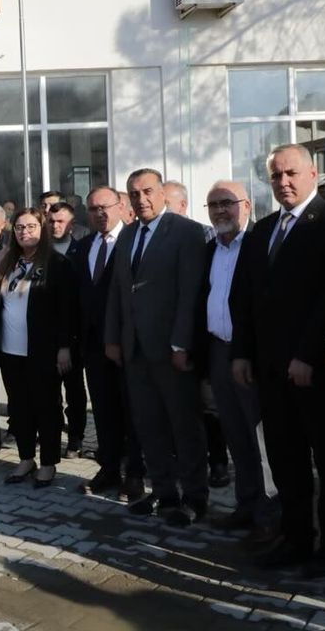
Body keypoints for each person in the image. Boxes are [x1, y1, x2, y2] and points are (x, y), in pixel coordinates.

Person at [230, 144, 325, 577]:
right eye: (276, 176)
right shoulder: (264, 229)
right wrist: (241, 351)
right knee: (286, 460)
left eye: (291, 173)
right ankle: (296, 538)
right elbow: (244, 298)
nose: (283, 182)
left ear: (314, 174)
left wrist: (307, 354)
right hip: (269, 370)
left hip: (314, 371)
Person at [105, 168, 209, 528]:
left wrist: (182, 343)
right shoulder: (128, 233)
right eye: (134, 194)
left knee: (184, 426)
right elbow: (118, 290)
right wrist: (113, 337)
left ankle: (194, 497)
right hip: (134, 349)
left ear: (163, 192)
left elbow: (190, 292)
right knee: (149, 426)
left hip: (170, 349)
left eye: (148, 191)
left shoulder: (186, 232)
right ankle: (164, 493)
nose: (141, 199)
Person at [201, 182, 278, 542]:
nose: (220, 210)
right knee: (235, 435)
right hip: (219, 351)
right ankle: (246, 504)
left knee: (261, 439)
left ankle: (270, 515)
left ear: (246, 206)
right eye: (213, 204)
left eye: (227, 203)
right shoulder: (209, 250)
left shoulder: (260, 243)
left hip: (252, 356)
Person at [0, 208, 77, 487]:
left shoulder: (57, 264)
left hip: (43, 350)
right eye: (19, 227)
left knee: (46, 408)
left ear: (42, 230)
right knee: (20, 408)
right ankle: (26, 458)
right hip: (10, 350)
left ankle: (48, 463)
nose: (24, 232)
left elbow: (66, 310)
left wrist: (64, 346)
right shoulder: (8, 262)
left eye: (31, 226)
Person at [72, 187, 144, 502]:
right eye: (93, 209)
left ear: (121, 207)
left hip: (127, 344)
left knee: (132, 411)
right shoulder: (84, 245)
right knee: (103, 410)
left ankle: (135, 474)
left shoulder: (134, 240)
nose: (100, 214)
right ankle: (109, 468)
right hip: (93, 345)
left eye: (105, 207)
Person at [161, 181, 229, 485]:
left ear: (183, 205)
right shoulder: (156, 238)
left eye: (167, 204)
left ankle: (219, 462)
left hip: (204, 338)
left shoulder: (205, 236)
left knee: (210, 407)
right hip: (171, 337)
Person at [46, 201, 89, 458]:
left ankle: (76, 437)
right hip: (46, 333)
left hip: (74, 333)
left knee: (74, 389)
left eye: (61, 221)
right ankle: (51, 434)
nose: (55, 226)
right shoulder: (41, 252)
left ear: (71, 225)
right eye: (51, 221)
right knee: (50, 390)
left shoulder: (81, 251)